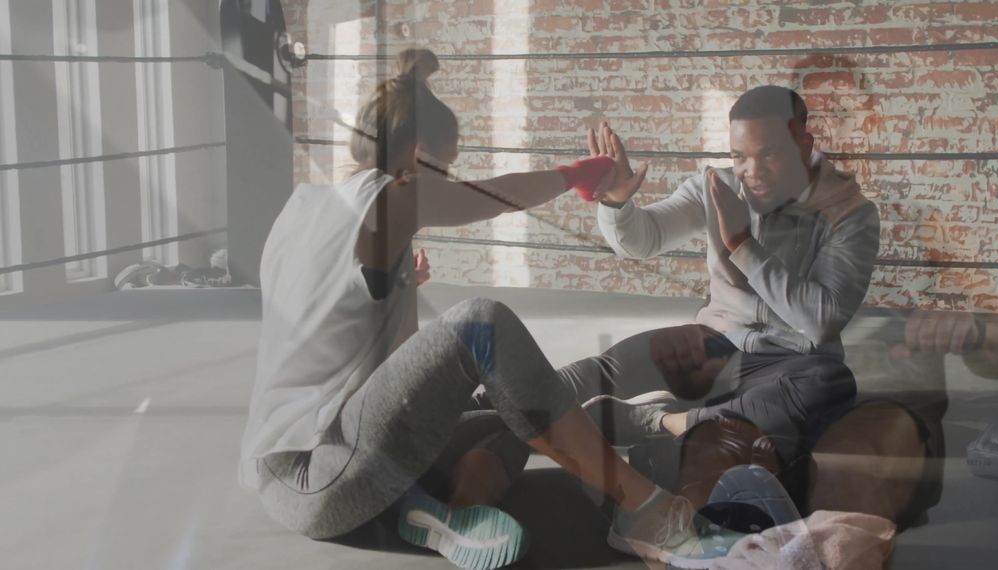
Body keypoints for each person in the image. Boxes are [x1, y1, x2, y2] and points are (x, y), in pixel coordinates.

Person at [238, 48, 738, 570]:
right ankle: (647, 509)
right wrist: (578, 174)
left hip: (326, 468)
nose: (446, 181)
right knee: (482, 324)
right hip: (320, 475)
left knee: (514, 414)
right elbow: (488, 199)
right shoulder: (388, 199)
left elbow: (364, 345)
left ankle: (444, 514)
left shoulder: (305, 209)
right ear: (413, 156)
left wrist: (399, 288)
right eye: (444, 168)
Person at [563, 85, 880, 501]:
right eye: (739, 156)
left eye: (769, 153)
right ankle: (492, 403)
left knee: (831, 383)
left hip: (789, 362)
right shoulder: (717, 187)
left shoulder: (850, 213)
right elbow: (644, 240)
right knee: (606, 369)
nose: (752, 170)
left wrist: (743, 246)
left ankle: (658, 423)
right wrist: (619, 205)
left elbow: (821, 322)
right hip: (713, 346)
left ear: (804, 144)